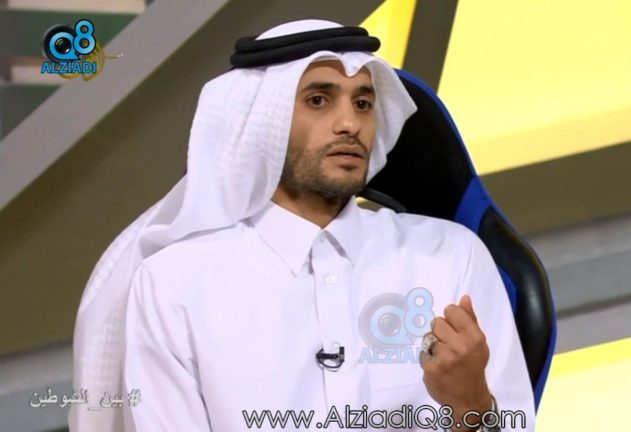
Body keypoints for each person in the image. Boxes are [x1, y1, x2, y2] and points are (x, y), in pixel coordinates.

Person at [70, 19, 534, 432]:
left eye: (364, 103)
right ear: (263, 122)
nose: (350, 123)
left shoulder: (449, 255)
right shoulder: (176, 283)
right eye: (318, 100)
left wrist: (472, 409)